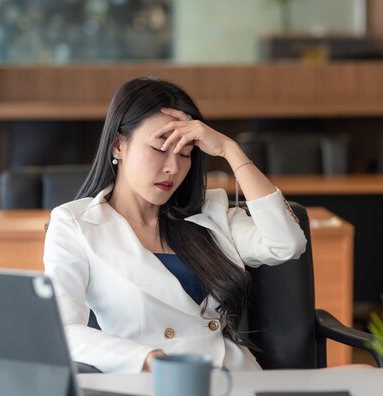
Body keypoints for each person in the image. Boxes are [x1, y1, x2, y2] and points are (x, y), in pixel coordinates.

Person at [44, 77, 307, 373]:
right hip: (156, 384)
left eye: (185, 153)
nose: (173, 167)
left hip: (235, 379)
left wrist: (230, 150)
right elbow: (63, 329)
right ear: (119, 145)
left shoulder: (210, 211)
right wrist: (144, 358)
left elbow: (288, 244)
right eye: (159, 148)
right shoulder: (75, 224)